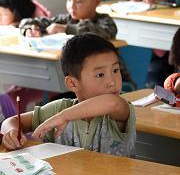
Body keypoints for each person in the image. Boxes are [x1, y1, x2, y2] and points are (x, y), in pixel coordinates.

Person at [0, 34, 136, 156]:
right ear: (72, 83)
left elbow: (112, 103)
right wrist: (11, 132)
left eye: (115, 70)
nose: (112, 81)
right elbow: (11, 121)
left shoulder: (121, 110)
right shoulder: (59, 108)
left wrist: (63, 117)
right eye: (100, 74)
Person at [19, 0, 116, 39]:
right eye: (68, 0)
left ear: (96, 1)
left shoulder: (105, 21)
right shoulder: (66, 19)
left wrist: (67, 29)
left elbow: (102, 33)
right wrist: (29, 29)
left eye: (78, 1)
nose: (71, 6)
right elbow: (28, 21)